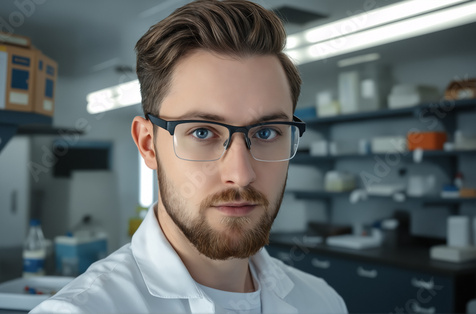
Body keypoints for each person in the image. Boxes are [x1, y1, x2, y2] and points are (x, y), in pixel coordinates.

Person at [31, 0, 347, 313]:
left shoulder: (323, 301)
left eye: (266, 133)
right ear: (147, 144)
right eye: (202, 132)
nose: (241, 174)